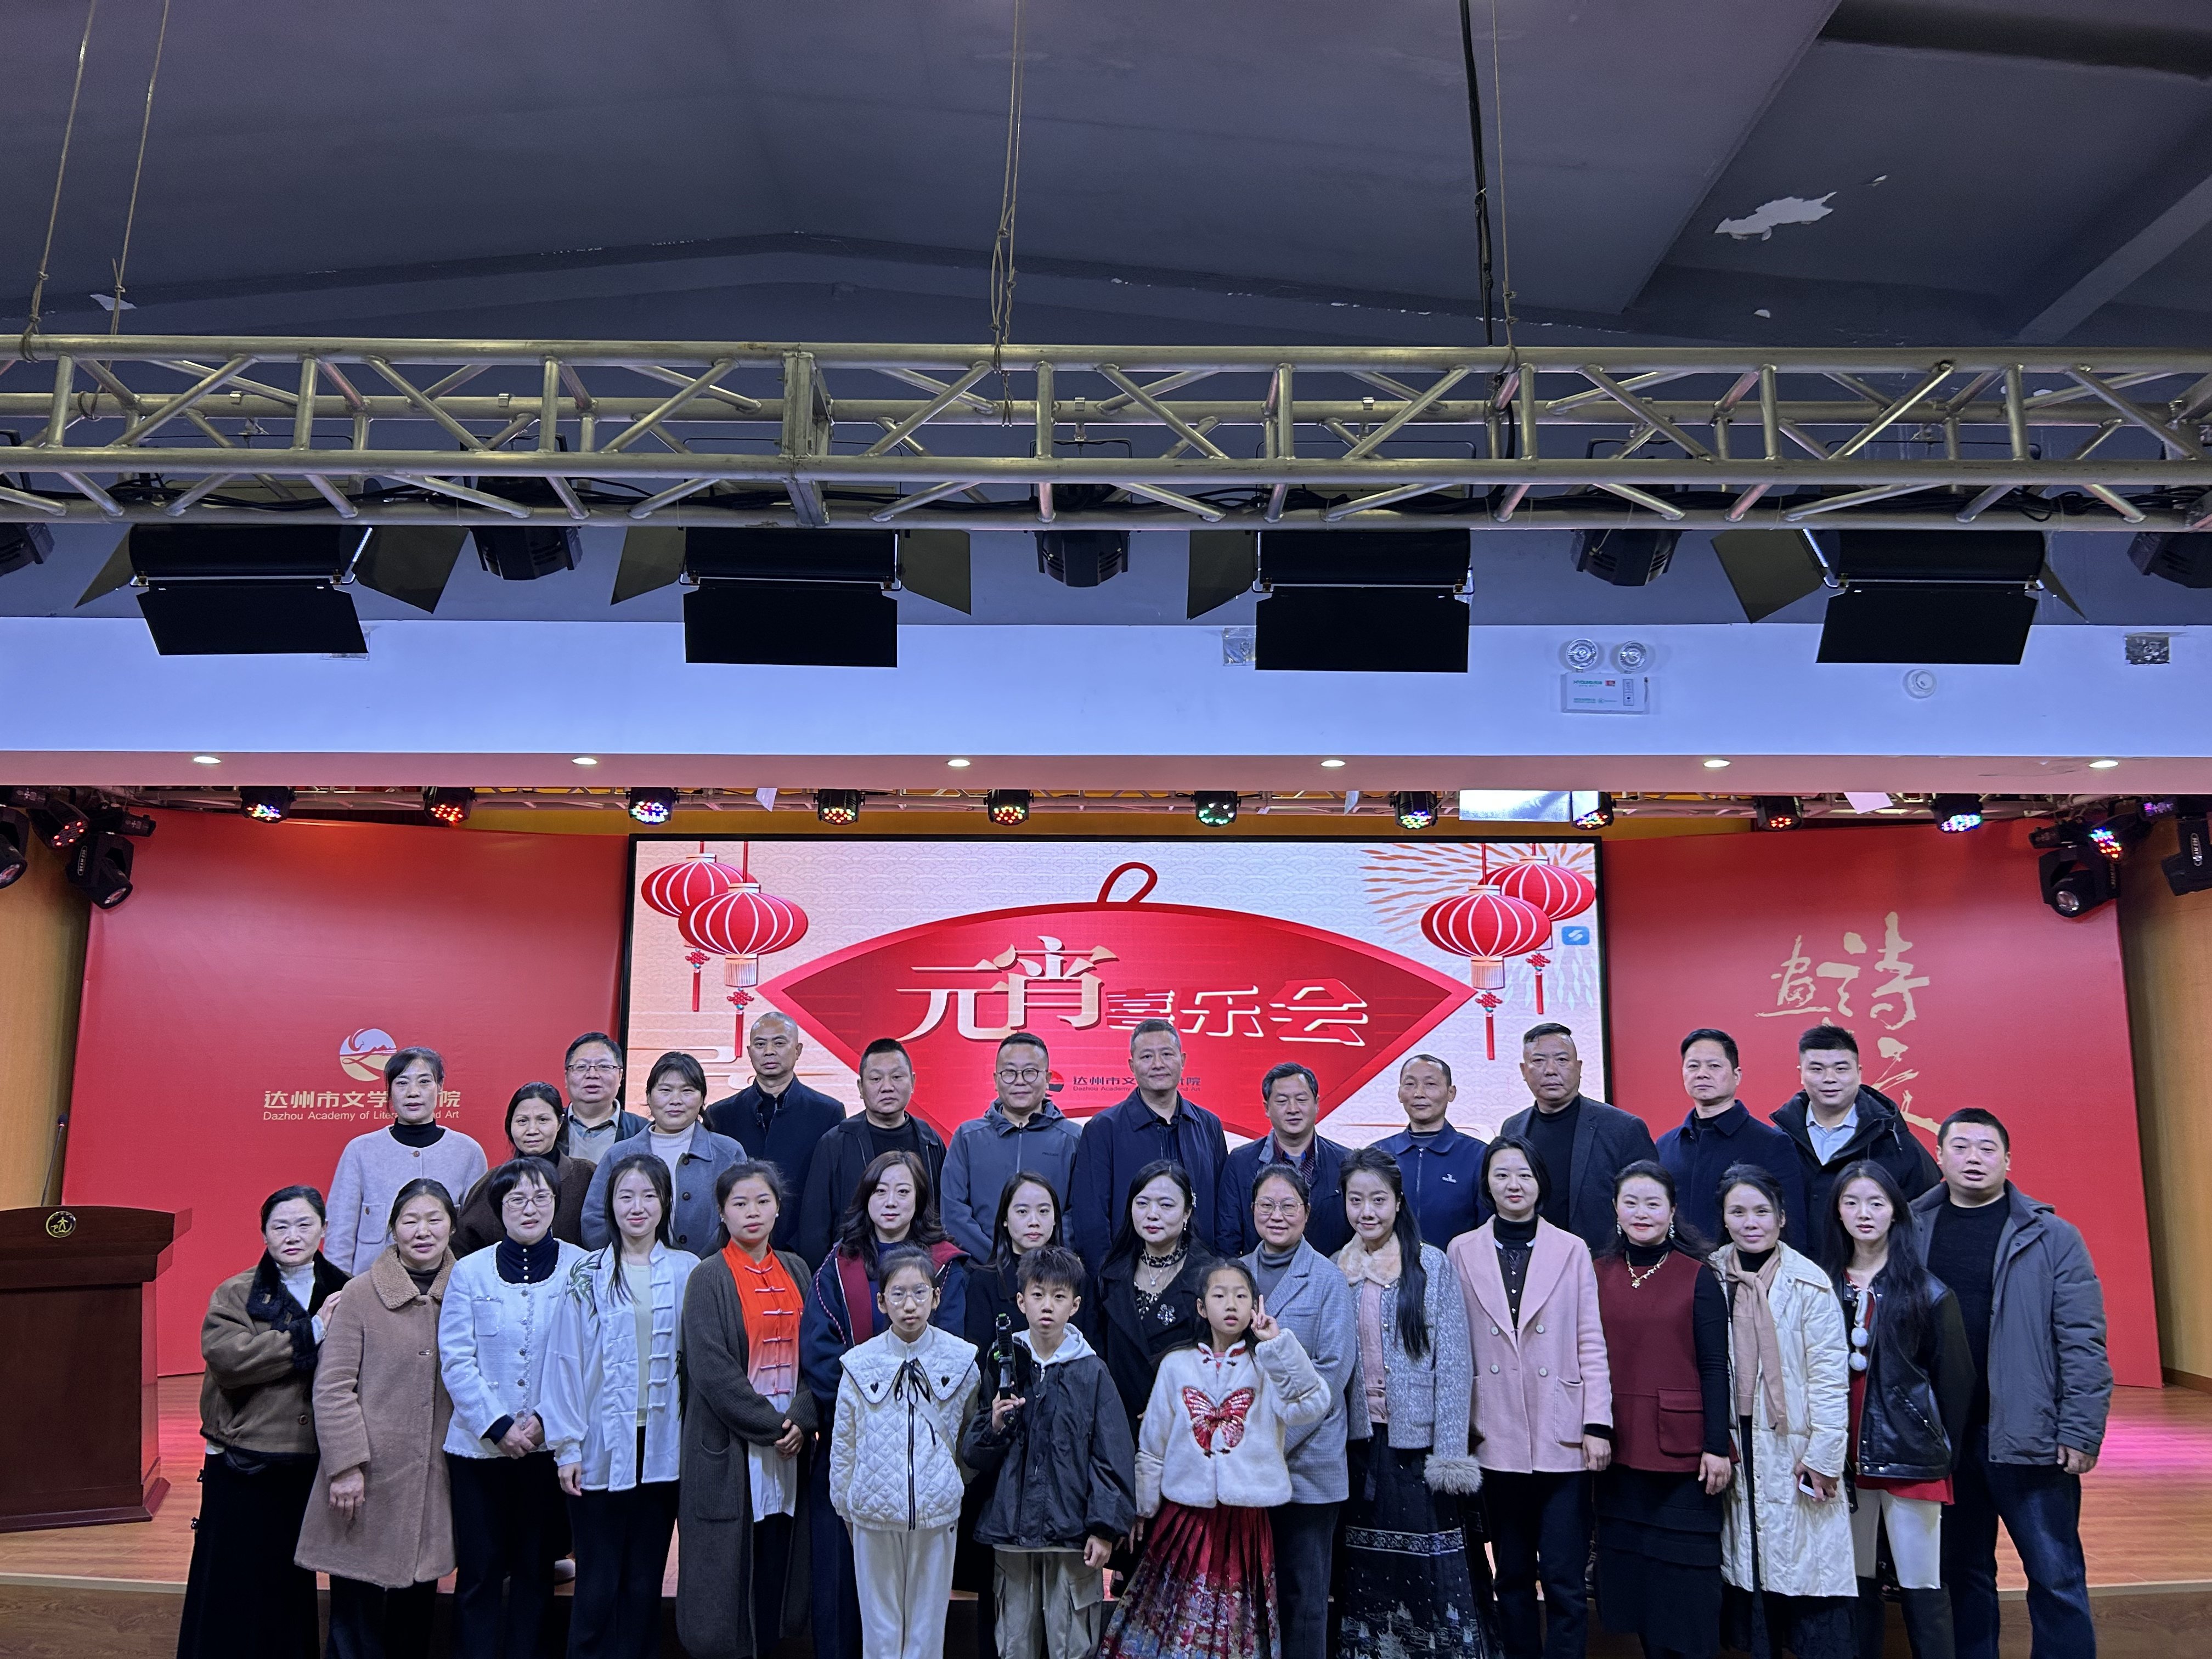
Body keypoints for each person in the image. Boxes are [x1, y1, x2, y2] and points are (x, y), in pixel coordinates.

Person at [1911, 1109, 2110, 1659]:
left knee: (2056, 1575)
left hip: (2030, 1437)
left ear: (2008, 1160)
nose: (1974, 1158)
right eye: (1961, 1147)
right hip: (1945, 1440)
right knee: (1964, 1575)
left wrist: (2081, 1429)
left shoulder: (2053, 1236)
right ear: (1940, 1156)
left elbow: (2083, 1340)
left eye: (1987, 1148)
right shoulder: (1911, 1227)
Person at [1094, 1259, 1329, 1659]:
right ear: (1202, 1307)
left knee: (1236, 1623)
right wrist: (1142, 1508)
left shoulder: (1267, 1363)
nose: (1231, 1304)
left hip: (1245, 1521)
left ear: (1255, 1305)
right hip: (1186, 1520)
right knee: (1173, 1616)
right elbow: (1153, 1444)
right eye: (1220, 1296)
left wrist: (1277, 1345)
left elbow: (1312, 1404)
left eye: (1241, 1296)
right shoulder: (1177, 1365)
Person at [800, 1150, 970, 1659]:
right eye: (880, 1190)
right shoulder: (840, 1265)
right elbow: (820, 1352)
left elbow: (953, 1357)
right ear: (865, 1197)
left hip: (928, 1457)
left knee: (922, 1611)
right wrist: (871, 1408)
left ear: (921, 1199)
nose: (891, 1201)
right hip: (860, 1446)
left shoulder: (945, 1265)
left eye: (903, 1191)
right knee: (852, 1593)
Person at [1450, 1135, 1612, 1659]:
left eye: (1523, 1174)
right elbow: (1454, 1346)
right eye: (1501, 1175)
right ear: (1486, 1184)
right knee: (1512, 1575)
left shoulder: (1572, 1248)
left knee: (1564, 1578)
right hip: (1494, 1430)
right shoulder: (1462, 1250)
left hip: (1562, 1430)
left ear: (1540, 1182)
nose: (1513, 1184)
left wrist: (1598, 1424)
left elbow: (1590, 1339)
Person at [176, 1184, 349, 1659]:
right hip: (244, 1458)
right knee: (229, 1580)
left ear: (323, 1229)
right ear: (264, 1234)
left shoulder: (347, 1290)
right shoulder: (236, 1291)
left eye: (304, 1224)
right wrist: (312, 1332)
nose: (293, 1236)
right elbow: (229, 1359)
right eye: (280, 1226)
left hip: (315, 1459)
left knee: (291, 1581)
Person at [542, 1153, 702, 1659]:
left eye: (649, 1196)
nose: (638, 1207)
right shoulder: (587, 1272)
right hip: (600, 1443)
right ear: (610, 1204)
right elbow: (564, 1361)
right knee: (597, 1582)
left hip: (662, 1447)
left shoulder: (688, 1270)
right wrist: (567, 1447)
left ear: (665, 1203)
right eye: (626, 1196)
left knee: (643, 1582)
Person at [1333, 1147, 1489, 1659]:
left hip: (1419, 1446)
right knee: (1367, 1564)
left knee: (1430, 1567)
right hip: (1361, 1446)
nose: (1367, 1212)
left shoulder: (1431, 1264)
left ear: (1399, 1202)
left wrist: (1450, 1453)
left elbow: (1455, 1363)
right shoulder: (1338, 1268)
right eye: (1356, 1200)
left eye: (1378, 1199)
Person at [295, 1178, 459, 1659]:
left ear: (452, 1227)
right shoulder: (361, 1293)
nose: (423, 1231)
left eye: (434, 1219)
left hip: (437, 1474)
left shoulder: (469, 1289)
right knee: (355, 1610)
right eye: (410, 1220)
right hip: (368, 1476)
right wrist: (346, 1465)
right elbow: (333, 1387)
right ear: (392, 1229)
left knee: (417, 1606)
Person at [439, 1158, 588, 1659]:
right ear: (498, 1208)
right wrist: (498, 1425)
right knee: (479, 1572)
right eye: (517, 1199)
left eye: (541, 1198)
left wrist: (545, 1420)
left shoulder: (581, 1267)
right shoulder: (469, 1271)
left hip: (548, 1448)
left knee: (534, 1571)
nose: (530, 1208)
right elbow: (456, 1359)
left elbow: (583, 1356)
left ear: (556, 1205)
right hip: (478, 1449)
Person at [958, 1245, 1136, 1659]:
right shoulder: (1003, 1363)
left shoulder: (1092, 1370)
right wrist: (995, 1425)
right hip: (1012, 1534)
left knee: (1072, 1643)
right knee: (1014, 1642)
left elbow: (1112, 1456)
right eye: (1038, 1295)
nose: (1047, 1306)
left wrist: (1105, 1529)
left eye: (1059, 1296)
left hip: (1073, 1536)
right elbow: (973, 1451)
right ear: (1021, 1302)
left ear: (1075, 1305)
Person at [1824, 1160, 1971, 1659]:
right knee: (1855, 1581)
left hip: (1910, 1456)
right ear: (1838, 1212)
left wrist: (1937, 1447)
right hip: (1841, 1459)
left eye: (1876, 1202)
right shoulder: (1821, 1285)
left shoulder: (1928, 1291)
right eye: (1851, 1202)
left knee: (1921, 1583)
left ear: (1896, 1212)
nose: (1864, 1213)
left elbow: (1955, 1385)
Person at [1712, 1165, 1854, 1658]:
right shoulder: (1709, 1275)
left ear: (1782, 1218)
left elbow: (1830, 1378)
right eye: (1738, 1212)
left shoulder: (1809, 1282)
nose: (1751, 1222)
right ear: (1724, 1219)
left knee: (1803, 1566)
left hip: (1795, 1443)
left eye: (1761, 1211)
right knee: (1748, 1561)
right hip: (1735, 1439)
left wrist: (1825, 1455)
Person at [1590, 1162, 1731, 1659]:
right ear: (1615, 1209)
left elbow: (1715, 1366)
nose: (1641, 1213)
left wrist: (1717, 1446)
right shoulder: (1597, 1272)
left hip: (1683, 1458)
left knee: (1686, 1588)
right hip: (1617, 1453)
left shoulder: (1698, 1275)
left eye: (1653, 1203)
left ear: (1672, 1211)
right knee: (1637, 1584)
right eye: (1631, 1203)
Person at [678, 1161, 818, 1659]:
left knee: (779, 1556)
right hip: (734, 1444)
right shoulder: (707, 1277)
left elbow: (817, 1353)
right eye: (739, 1203)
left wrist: (803, 1414)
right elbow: (711, 1370)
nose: (752, 1212)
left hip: (790, 1445)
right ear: (722, 1213)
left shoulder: (798, 1270)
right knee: (729, 1575)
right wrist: (775, 1426)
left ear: (778, 1208)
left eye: (762, 1201)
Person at [828, 1245, 983, 1659]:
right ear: (882, 1301)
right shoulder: (858, 1364)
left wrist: (951, 1483)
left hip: (937, 1513)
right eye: (898, 1294)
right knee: (880, 1628)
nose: (909, 1305)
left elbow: (970, 1437)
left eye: (919, 1292)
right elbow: (844, 1445)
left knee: (927, 1630)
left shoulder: (962, 1360)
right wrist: (846, 1506)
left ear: (936, 1297)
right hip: (873, 1514)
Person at [1235, 1163, 1359, 1659]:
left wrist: (1272, 1443)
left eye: (1288, 1206)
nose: (1277, 1215)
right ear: (1252, 1211)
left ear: (1307, 1213)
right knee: (1244, 1596)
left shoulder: (1329, 1278)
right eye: (1267, 1205)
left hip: (1308, 1465)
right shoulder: (1233, 1274)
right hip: (1244, 1466)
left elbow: (1332, 1374)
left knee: (1303, 1597)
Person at [958, 1172, 1068, 1659]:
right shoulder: (983, 1281)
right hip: (1002, 1448)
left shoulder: (1074, 1280)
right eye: (1022, 1211)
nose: (1033, 1221)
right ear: (1004, 1220)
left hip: (1058, 1451)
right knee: (1000, 1589)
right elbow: (980, 1366)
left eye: (1044, 1211)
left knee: (1057, 1588)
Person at [1066, 1020, 1227, 1274]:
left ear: (1183, 1060)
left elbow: (1223, 1211)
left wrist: (1218, 1274)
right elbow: (1091, 1218)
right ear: (1132, 1066)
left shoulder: (1208, 1125)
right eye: (1147, 1056)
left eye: (1167, 1054)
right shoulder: (1103, 1129)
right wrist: (1108, 1280)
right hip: (1127, 1277)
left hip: (1200, 1275)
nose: (1158, 1064)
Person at [324, 1046, 488, 1274]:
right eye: (402, 1083)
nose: (413, 1092)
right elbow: (340, 1232)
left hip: (448, 1284)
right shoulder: (360, 1151)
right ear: (390, 1090)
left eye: (424, 1082)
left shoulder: (468, 1152)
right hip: (371, 1282)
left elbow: (476, 1233)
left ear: (440, 1086)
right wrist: (338, 1285)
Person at [1498, 1024, 1656, 1256]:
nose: (1551, 1070)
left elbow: (1650, 1200)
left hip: (1603, 1261)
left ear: (1579, 1067)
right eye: (1539, 1061)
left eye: (1562, 1060)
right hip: (1530, 1259)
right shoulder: (1513, 1128)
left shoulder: (1623, 1128)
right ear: (1524, 1071)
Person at [1087, 1160, 1218, 1436]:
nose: (1152, 1214)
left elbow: (1219, 1359)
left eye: (1166, 1205)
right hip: (1116, 1425)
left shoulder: (1210, 1277)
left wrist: (1175, 1403)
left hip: (1186, 1426)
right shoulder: (1110, 1273)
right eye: (1142, 1203)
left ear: (1187, 1213)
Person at [1777, 1024, 1941, 1236]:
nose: (1829, 1078)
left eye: (1841, 1069)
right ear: (1801, 1074)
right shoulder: (1779, 1139)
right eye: (1817, 1069)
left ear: (1859, 1072)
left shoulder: (1892, 1137)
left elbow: (1924, 1212)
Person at [799, 1038, 949, 1267]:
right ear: (861, 1087)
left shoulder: (931, 1141)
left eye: (897, 1077)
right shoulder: (835, 1143)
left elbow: (941, 1217)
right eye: (876, 1079)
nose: (887, 1087)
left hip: (919, 1270)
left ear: (913, 1082)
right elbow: (814, 1227)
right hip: (853, 1269)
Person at [1656, 1029, 1809, 1251]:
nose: (1702, 1074)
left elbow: (1793, 1227)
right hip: (1679, 1267)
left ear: (1737, 1076)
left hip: (1747, 1268)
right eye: (1693, 1066)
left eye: (1714, 1066)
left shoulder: (1772, 1144)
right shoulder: (1665, 1145)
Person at [582, 1051, 745, 1256]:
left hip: (712, 1269)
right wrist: (630, 1262)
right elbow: (594, 1220)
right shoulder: (619, 1155)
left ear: (702, 1098)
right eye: (665, 1090)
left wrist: (703, 1265)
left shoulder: (728, 1153)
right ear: (649, 1097)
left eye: (687, 1091)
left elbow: (741, 1215)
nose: (676, 1100)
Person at [705, 1012, 846, 1249]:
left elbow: (834, 1193)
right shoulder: (721, 1115)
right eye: (760, 1044)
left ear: (798, 1050)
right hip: (735, 1248)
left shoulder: (828, 1113)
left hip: (806, 1251)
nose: (769, 1051)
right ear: (750, 1052)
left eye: (779, 1043)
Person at [941, 1031, 1082, 1261]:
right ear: (996, 1080)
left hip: (1051, 1272)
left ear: (1048, 1079)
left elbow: (1079, 1211)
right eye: (1009, 1073)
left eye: (1030, 1072)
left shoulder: (1073, 1138)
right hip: (981, 1270)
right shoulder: (968, 1137)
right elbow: (953, 1211)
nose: (1020, 1081)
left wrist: (1045, 1258)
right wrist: (995, 1259)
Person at [1214, 1061, 1352, 1259]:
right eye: (1282, 1101)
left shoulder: (1345, 1163)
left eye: (1301, 1100)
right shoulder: (1240, 1163)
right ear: (1267, 1108)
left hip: (1329, 1275)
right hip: (1258, 1276)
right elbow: (1227, 1238)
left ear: (1317, 1104)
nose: (1293, 1109)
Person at [453, 1084, 595, 1254]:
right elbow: (463, 1246)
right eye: (522, 1121)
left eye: (543, 1120)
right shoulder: (491, 1183)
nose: (532, 1130)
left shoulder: (588, 1176)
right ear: (510, 1125)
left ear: (559, 1123)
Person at [1372, 1053, 1487, 1248]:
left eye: (1430, 1084)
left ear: (1451, 1093)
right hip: (1387, 1265)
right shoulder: (1378, 1154)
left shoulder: (1478, 1156)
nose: (1419, 1093)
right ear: (1399, 1093)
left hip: (1457, 1265)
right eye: (1410, 1084)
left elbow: (1488, 1229)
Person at [562, 1032, 647, 1166]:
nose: (592, 1075)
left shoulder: (643, 1131)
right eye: (582, 1067)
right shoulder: (547, 1126)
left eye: (604, 1067)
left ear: (620, 1076)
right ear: (566, 1077)